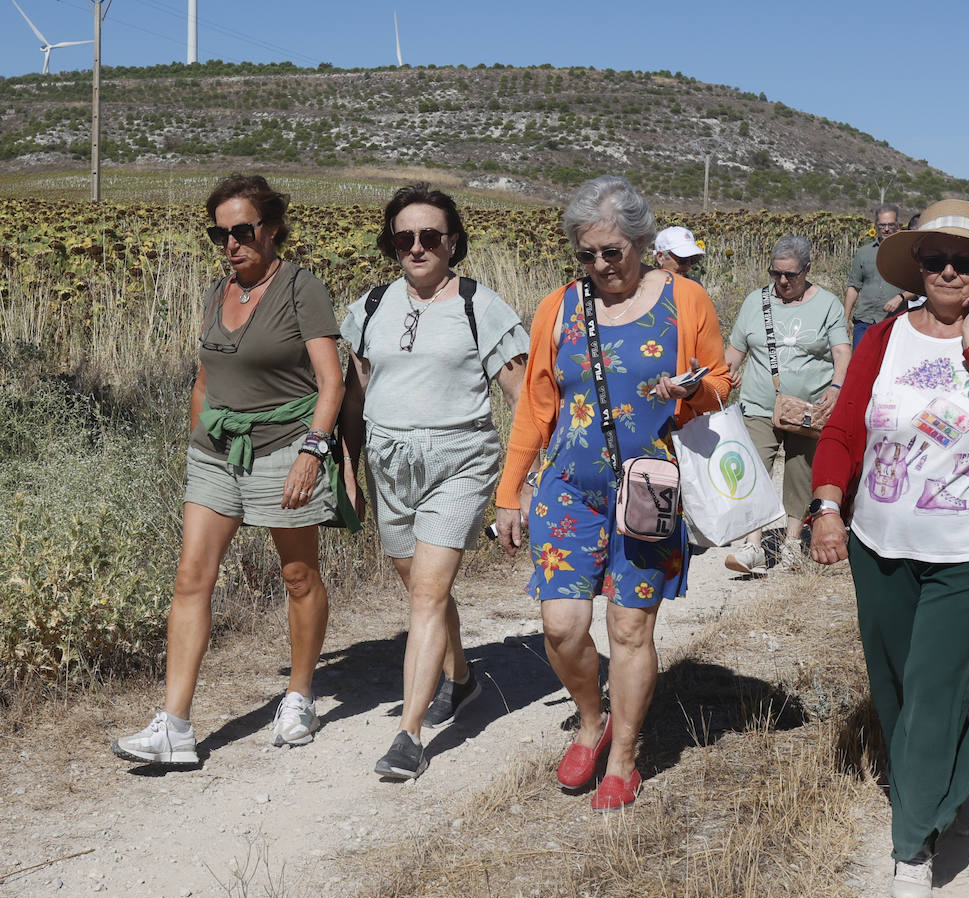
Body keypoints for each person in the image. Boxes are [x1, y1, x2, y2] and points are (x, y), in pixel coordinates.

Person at [810, 200, 969, 898]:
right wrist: (825, 505)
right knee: (897, 690)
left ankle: (914, 846)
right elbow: (847, 424)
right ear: (916, 267)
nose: (947, 271)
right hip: (879, 543)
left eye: (963, 263)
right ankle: (943, 772)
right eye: (935, 259)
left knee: (936, 690)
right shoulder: (882, 338)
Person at [492, 176, 729, 811]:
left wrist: (693, 393)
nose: (600, 266)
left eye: (612, 253)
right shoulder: (559, 307)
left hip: (650, 486)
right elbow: (538, 405)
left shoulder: (686, 300)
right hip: (567, 487)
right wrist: (509, 493)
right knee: (562, 627)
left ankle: (623, 755)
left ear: (643, 243)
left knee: (629, 627)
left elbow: (722, 384)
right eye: (587, 255)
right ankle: (590, 720)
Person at [113, 174, 349, 765]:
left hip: (284, 447)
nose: (230, 243)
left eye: (242, 231)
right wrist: (195, 446)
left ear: (271, 229)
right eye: (219, 233)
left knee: (298, 576)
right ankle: (174, 725)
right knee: (192, 576)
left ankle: (299, 695)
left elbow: (332, 381)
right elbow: (204, 377)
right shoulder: (219, 290)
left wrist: (313, 451)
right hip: (217, 451)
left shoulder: (301, 288)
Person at [338, 185, 531, 780]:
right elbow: (355, 393)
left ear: (453, 243)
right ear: (392, 243)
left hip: (460, 459)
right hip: (389, 461)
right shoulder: (370, 307)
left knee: (426, 592)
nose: (417, 248)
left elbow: (524, 397)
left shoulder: (481, 305)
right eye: (405, 238)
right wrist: (348, 467)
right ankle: (465, 676)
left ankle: (409, 735)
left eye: (430, 237)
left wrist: (518, 485)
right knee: (418, 581)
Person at [722, 236, 850, 574]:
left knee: (799, 471)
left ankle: (793, 541)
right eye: (775, 273)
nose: (782, 282)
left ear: (807, 270)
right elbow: (736, 350)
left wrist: (837, 387)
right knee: (752, 470)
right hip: (759, 405)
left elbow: (841, 351)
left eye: (790, 275)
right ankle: (753, 546)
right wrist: (725, 375)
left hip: (810, 408)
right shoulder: (755, 301)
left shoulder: (828, 304)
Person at [844, 206, 910, 349]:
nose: (886, 229)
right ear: (876, 225)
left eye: (891, 225)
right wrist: (845, 318)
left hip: (893, 322)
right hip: (864, 320)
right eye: (882, 225)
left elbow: (918, 288)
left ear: (898, 225)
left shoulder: (907, 253)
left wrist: (900, 297)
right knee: (860, 366)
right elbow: (853, 287)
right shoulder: (864, 253)